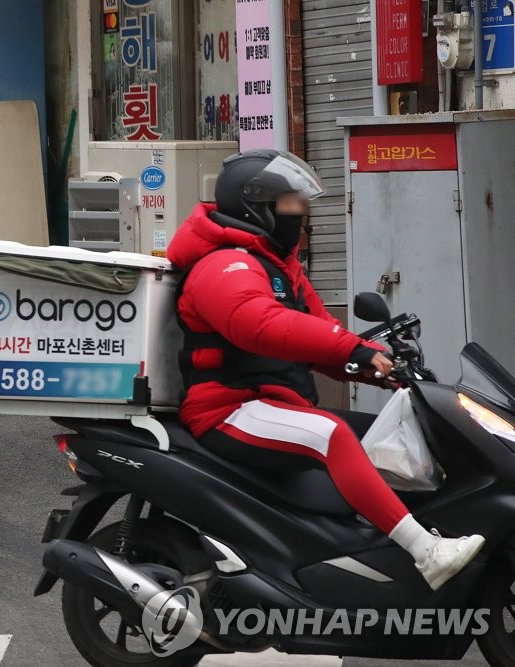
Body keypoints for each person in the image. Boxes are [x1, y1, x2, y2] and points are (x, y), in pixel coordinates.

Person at [168, 149, 483, 591]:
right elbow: (259, 326)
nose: (303, 214)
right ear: (256, 205)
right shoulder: (224, 264)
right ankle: (425, 553)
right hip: (228, 407)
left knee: (382, 438)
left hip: (274, 401)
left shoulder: (280, 267)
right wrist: (352, 347)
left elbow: (319, 335)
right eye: (293, 203)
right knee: (331, 436)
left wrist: (371, 366)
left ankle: (373, 557)